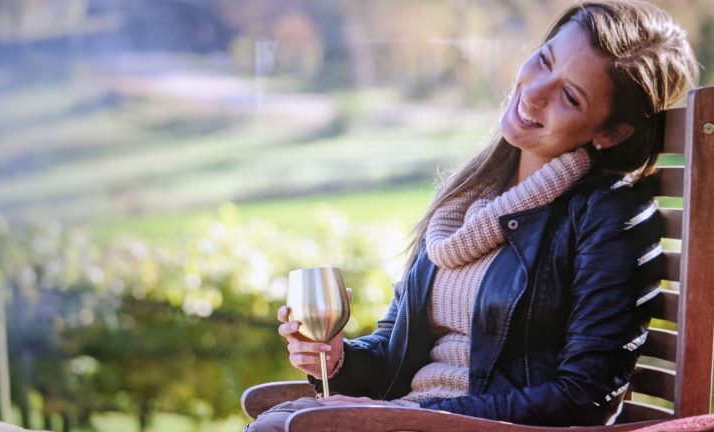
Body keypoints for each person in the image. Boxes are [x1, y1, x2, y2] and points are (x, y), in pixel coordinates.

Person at [245, 0, 699, 430]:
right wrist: (338, 356)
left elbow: (584, 396)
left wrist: (406, 417)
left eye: (571, 96)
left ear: (611, 131)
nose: (535, 93)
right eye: (544, 61)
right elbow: (396, 351)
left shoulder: (608, 217)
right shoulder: (468, 202)